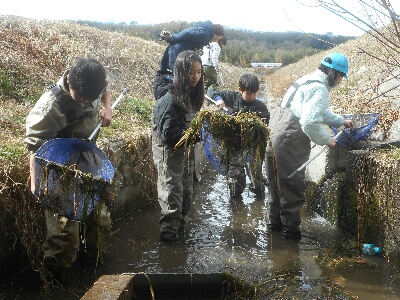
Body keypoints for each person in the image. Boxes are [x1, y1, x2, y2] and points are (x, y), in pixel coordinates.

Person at [25, 57, 113, 268]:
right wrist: (36, 182)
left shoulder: (93, 81)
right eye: (80, 98)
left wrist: (107, 108)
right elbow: (34, 146)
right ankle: (57, 278)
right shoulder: (50, 107)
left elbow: (105, 91)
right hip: (58, 166)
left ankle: (96, 266)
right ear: (69, 81)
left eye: (88, 99)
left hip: (86, 159)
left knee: (100, 222)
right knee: (64, 233)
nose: (84, 102)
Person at [266, 52, 354, 240]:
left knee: (275, 185)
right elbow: (309, 121)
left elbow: (314, 110)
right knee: (291, 188)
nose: (339, 82)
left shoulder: (306, 80)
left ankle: (273, 232)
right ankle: (289, 242)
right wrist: (326, 139)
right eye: (339, 77)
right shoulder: (320, 89)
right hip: (290, 135)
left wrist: (340, 121)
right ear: (332, 73)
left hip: (274, 130)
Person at [152, 50, 204, 243]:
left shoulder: (190, 96)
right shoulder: (169, 100)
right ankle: (168, 241)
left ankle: (180, 234)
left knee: (186, 193)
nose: (196, 77)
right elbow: (169, 135)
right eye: (192, 72)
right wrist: (197, 134)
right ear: (182, 73)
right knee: (172, 195)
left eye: (199, 72)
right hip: (170, 153)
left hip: (185, 152)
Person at [210, 73, 270, 199]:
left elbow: (264, 125)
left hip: (253, 146)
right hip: (234, 146)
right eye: (248, 94)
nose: (251, 97)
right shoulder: (232, 97)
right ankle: (235, 202)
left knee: (256, 175)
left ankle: (259, 198)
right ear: (240, 90)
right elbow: (211, 91)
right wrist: (219, 100)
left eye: (254, 94)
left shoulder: (260, 107)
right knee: (236, 179)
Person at [153, 21, 224, 100]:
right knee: (177, 76)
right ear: (214, 33)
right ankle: (169, 98)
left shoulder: (203, 31)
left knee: (171, 73)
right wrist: (173, 37)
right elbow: (187, 34)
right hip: (178, 52)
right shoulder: (205, 35)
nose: (216, 40)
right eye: (217, 38)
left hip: (176, 49)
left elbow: (187, 34)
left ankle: (172, 97)